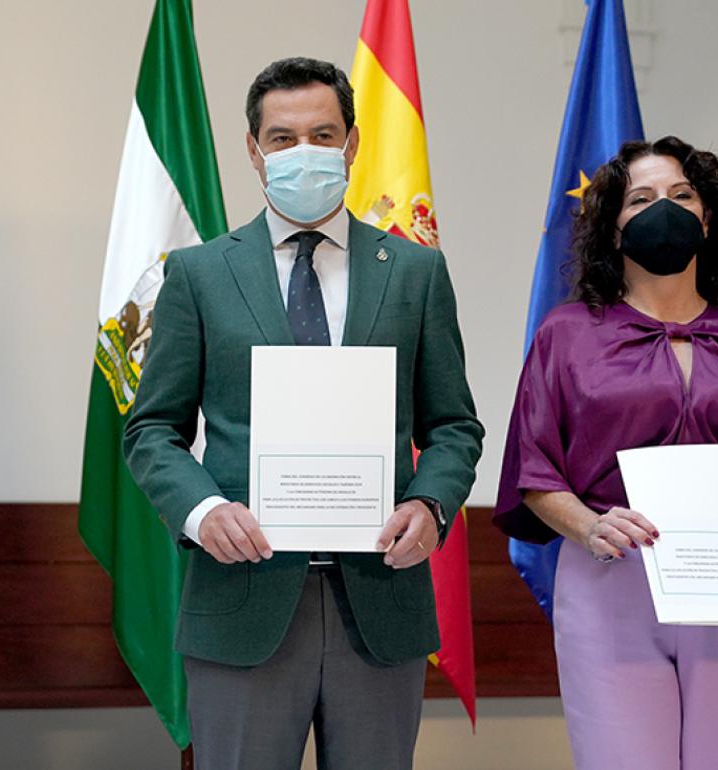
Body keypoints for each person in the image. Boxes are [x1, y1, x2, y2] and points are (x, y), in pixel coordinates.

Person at [122, 57, 484, 770]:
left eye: (322, 134)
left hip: (380, 598)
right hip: (241, 598)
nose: (303, 152)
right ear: (253, 150)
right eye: (282, 139)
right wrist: (202, 511)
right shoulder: (199, 274)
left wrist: (431, 504)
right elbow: (152, 429)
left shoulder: (416, 273)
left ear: (352, 144)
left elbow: (453, 426)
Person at [495, 135, 718, 770]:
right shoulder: (567, 334)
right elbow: (534, 469)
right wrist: (589, 526)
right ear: (612, 227)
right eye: (641, 199)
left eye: (681, 194)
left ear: (707, 217)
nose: (664, 209)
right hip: (611, 575)